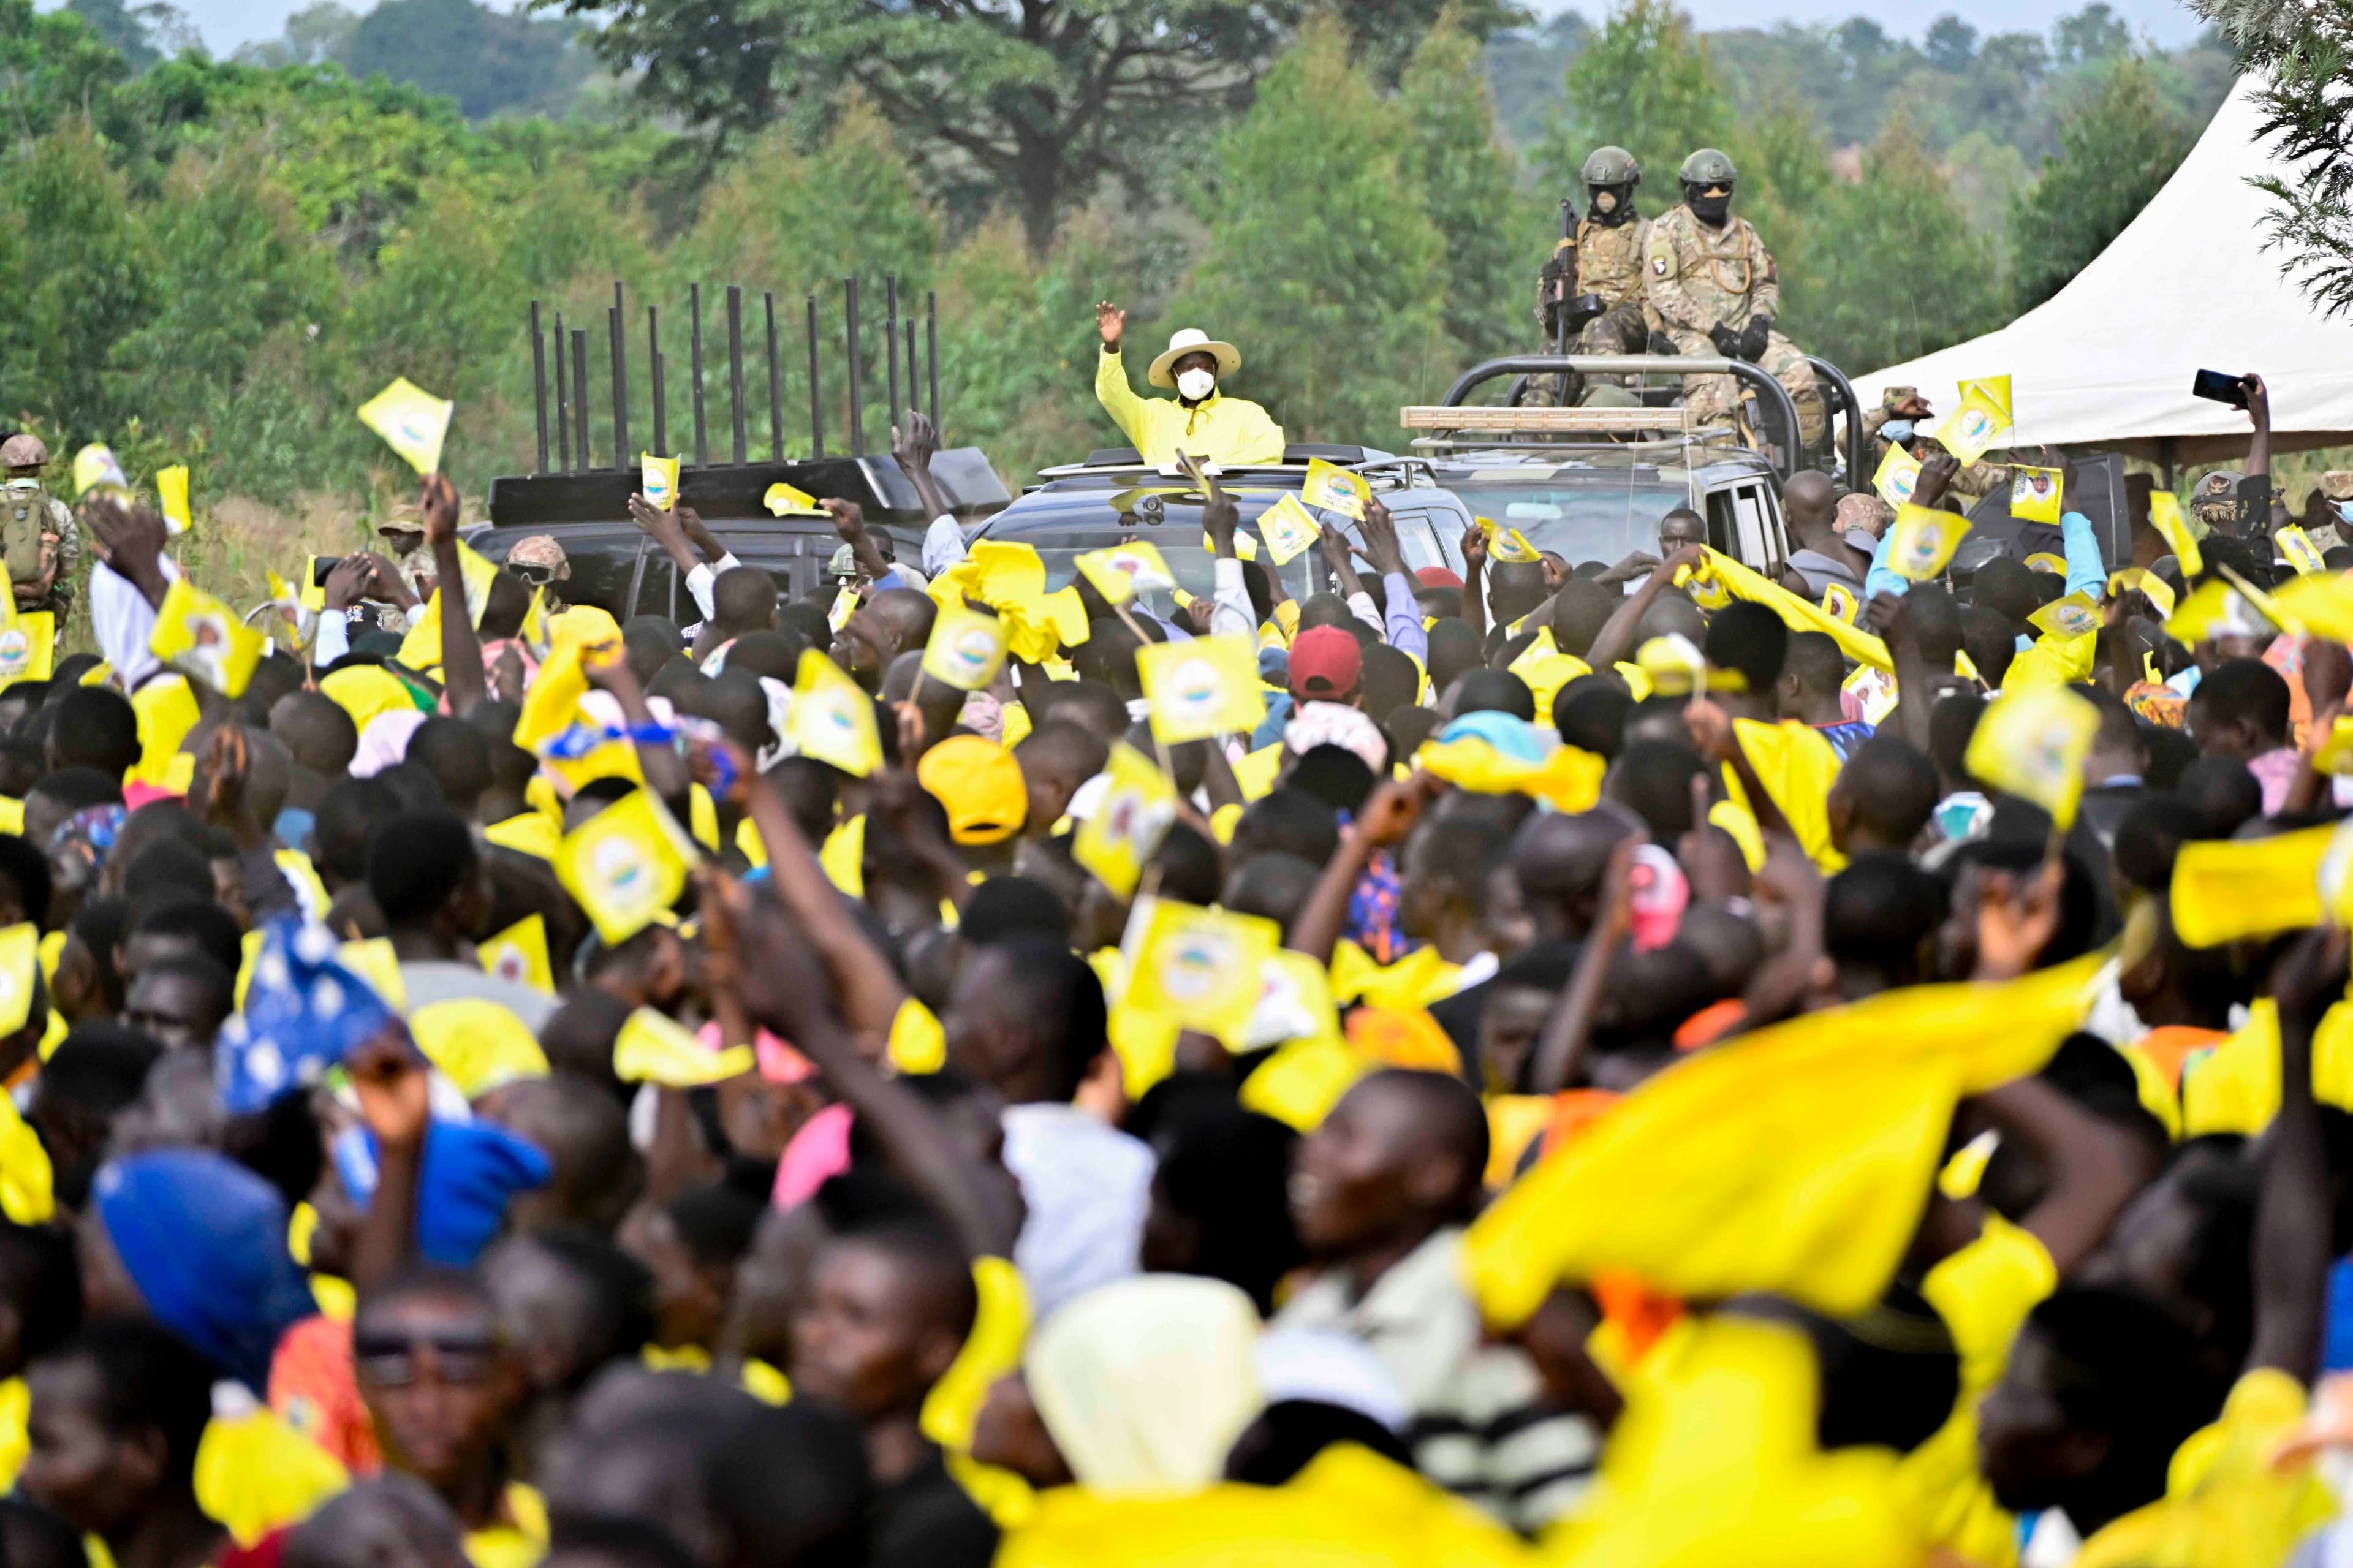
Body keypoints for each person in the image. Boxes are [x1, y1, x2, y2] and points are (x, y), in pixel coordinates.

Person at [1276, 1069, 1600, 1532]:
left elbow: (1573, 1520)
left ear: (1433, 1177)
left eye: (1343, 1137)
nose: (1309, 1151)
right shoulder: (1315, 1311)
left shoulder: (1486, 1317)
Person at [787, 1224, 996, 1568]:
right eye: (812, 1309)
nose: (814, 1334)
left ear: (936, 1355)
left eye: (855, 1319)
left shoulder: (943, 1532)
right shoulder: (766, 1472)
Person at [1643, 148, 1827, 454]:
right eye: (1706, 188)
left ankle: (1806, 465)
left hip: (1743, 327)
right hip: (1692, 334)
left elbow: (1765, 283)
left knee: (1800, 374)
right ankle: (1721, 466)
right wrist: (1712, 329)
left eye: (1723, 187)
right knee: (1715, 391)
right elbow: (1664, 291)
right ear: (1689, 189)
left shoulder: (1744, 233)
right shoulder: (1667, 230)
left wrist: (1760, 322)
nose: (1715, 194)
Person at [1091, 305, 1284, 468]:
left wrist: (1213, 463)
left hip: (1225, 510)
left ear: (1216, 371)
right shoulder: (1150, 416)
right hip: (1163, 511)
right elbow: (1111, 393)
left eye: (1205, 366)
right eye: (1188, 368)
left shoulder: (1246, 413)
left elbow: (1272, 448)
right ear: (1174, 376)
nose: (1198, 373)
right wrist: (1111, 347)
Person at [1535, 146, 1653, 399]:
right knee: (1549, 357)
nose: (1604, 196)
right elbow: (1546, 311)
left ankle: (1603, 414)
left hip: (1628, 322)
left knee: (1599, 327)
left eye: (1612, 189)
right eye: (1598, 189)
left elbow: (1662, 291)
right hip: (1580, 327)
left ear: (1629, 188)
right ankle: (1531, 431)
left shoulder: (1649, 235)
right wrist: (1549, 286)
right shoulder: (1575, 238)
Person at [0, 435, 77, 617]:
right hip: (43, 606)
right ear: (39, 467)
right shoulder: (56, 509)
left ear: (6, 466)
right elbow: (70, 564)